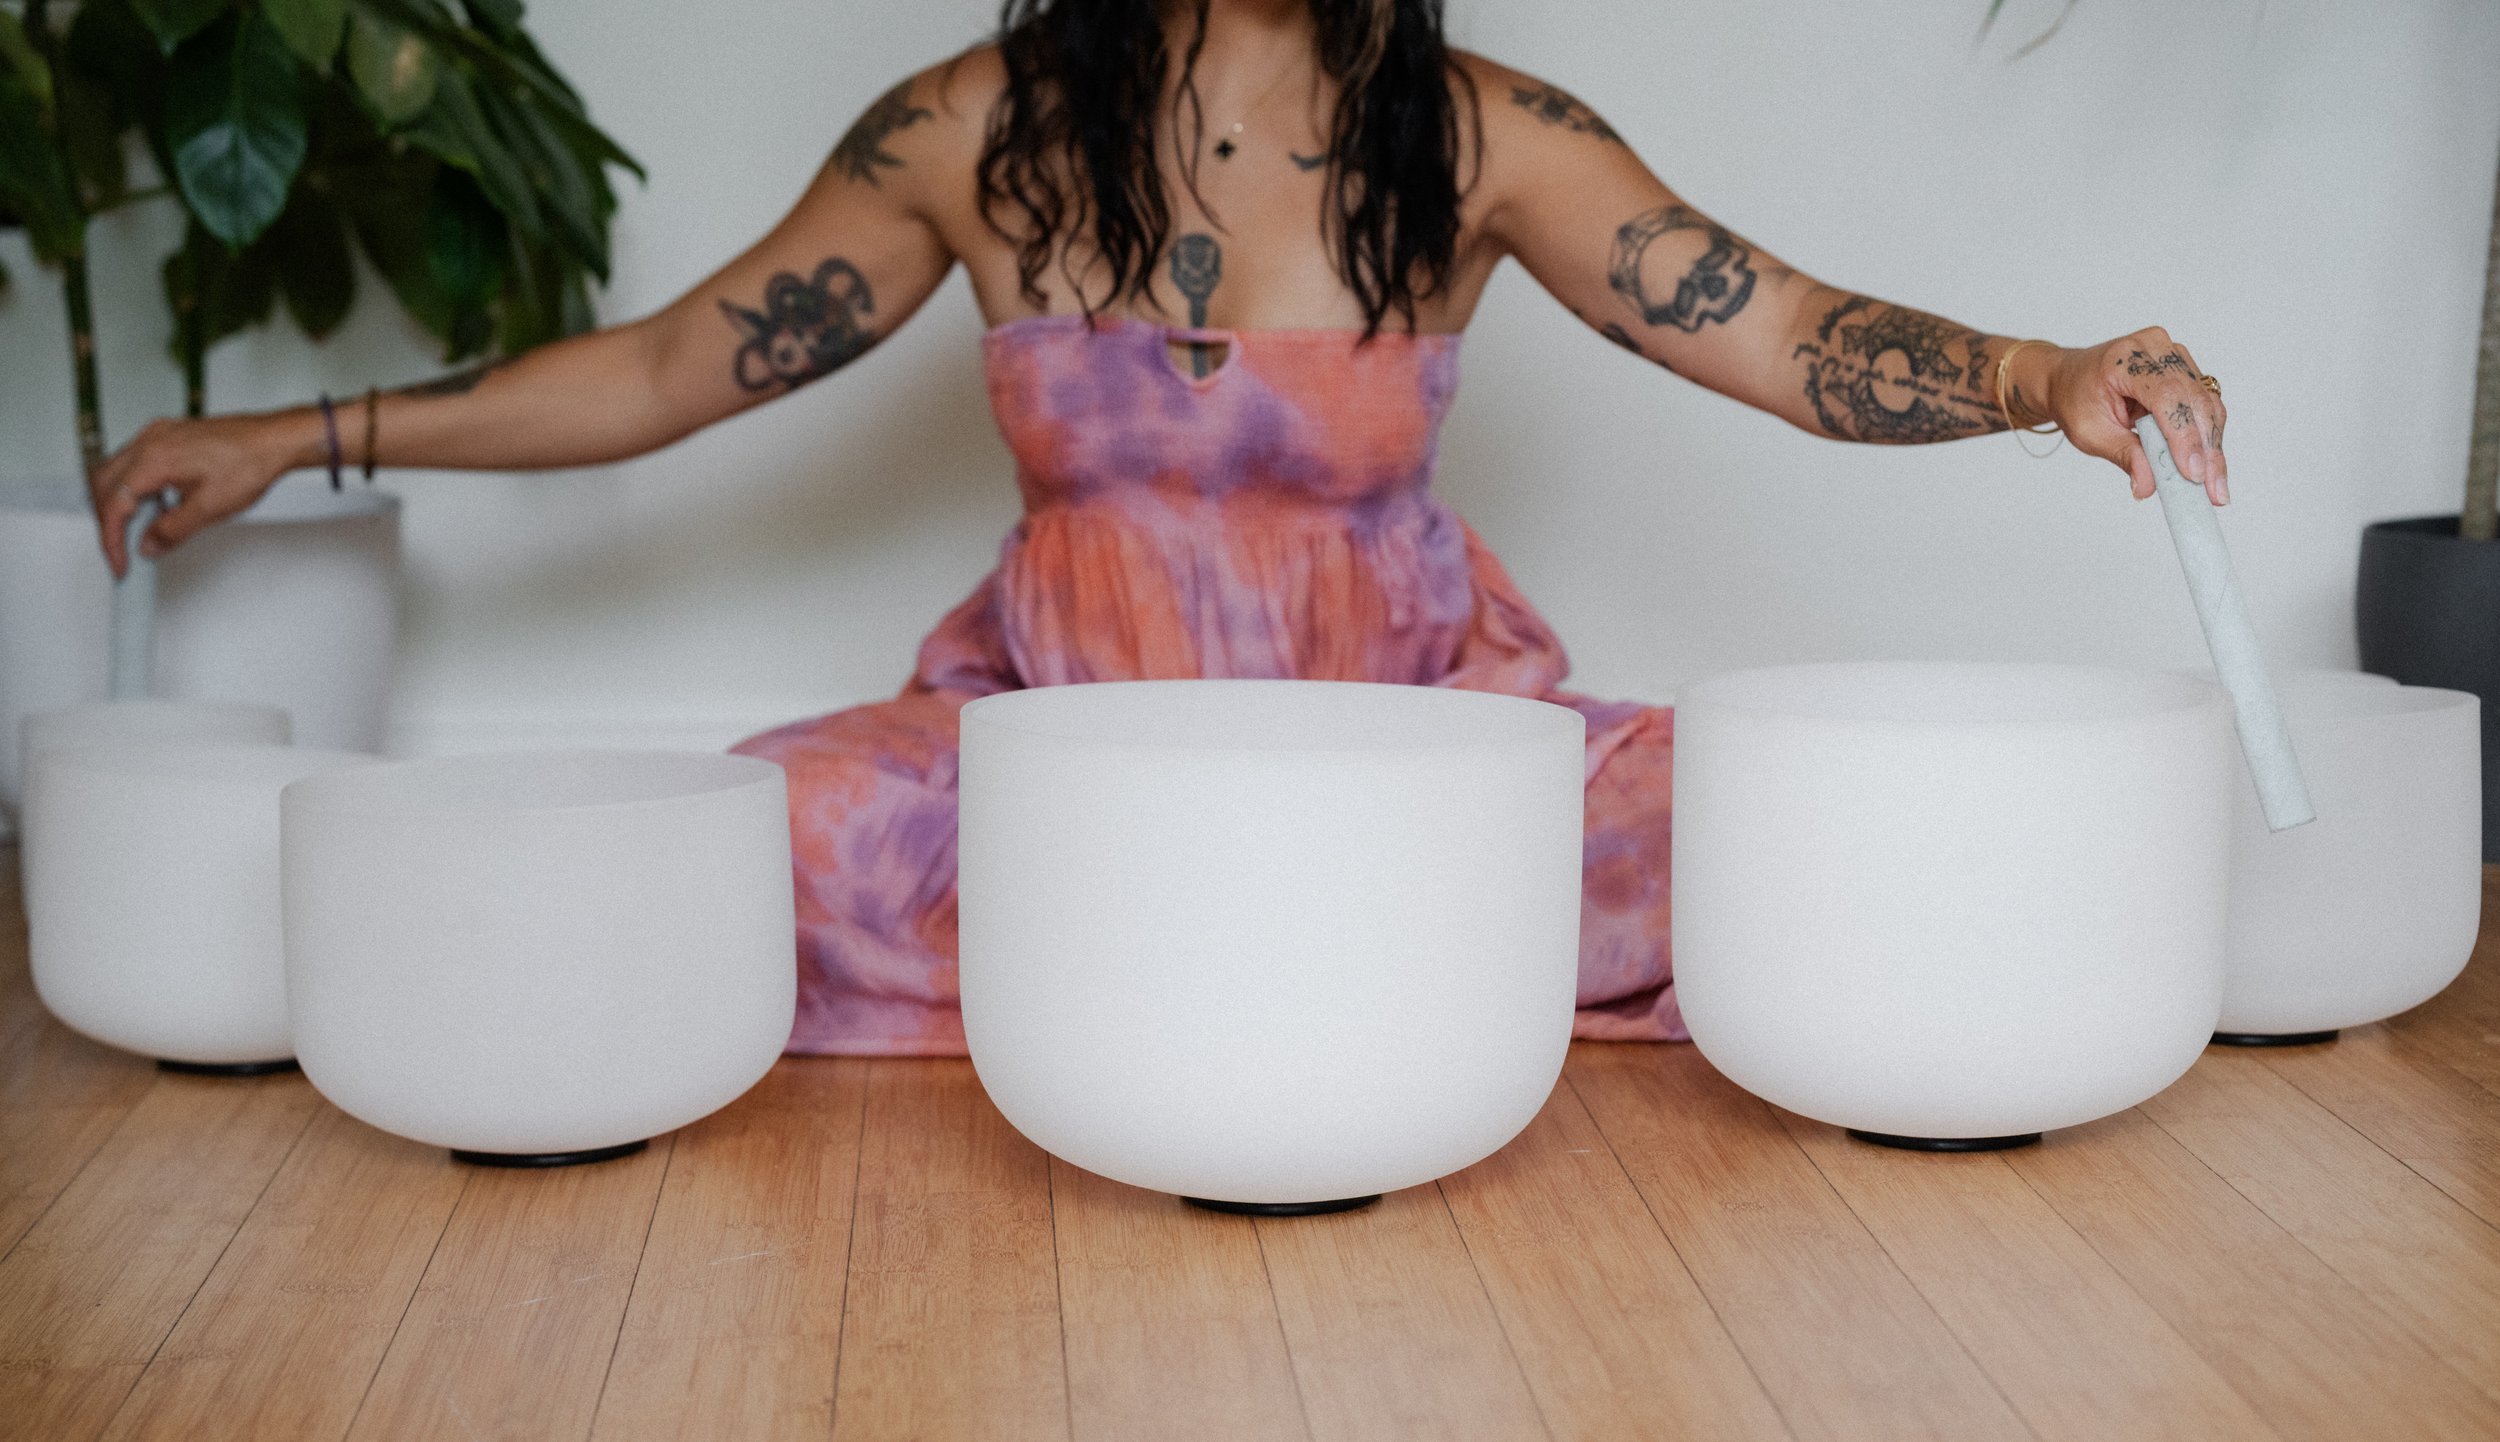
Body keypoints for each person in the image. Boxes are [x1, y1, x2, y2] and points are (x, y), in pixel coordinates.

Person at [88, 0, 2232, 1055]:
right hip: (1057, 749)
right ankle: (1275, 984)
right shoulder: (971, 130)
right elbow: (665, 369)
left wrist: (2044, 378)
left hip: (1414, 756)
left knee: (1742, 815)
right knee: (768, 835)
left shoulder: (1479, 132)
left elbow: (1774, 327)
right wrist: (304, 428)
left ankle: (1276, 976)